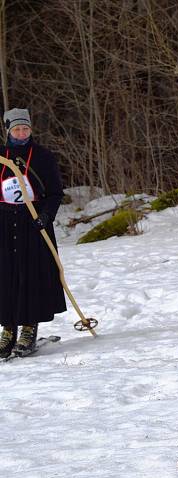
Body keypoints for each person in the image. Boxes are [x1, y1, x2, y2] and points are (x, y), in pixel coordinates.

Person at [0, 108, 66, 359]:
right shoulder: (1, 156)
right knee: (5, 276)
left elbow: (55, 194)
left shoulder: (42, 157)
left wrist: (46, 217)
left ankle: (29, 328)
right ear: (8, 130)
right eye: (16, 129)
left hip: (33, 223)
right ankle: (7, 329)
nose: (21, 133)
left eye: (25, 128)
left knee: (30, 275)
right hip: (4, 223)